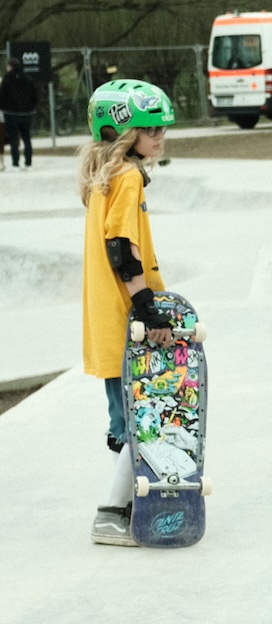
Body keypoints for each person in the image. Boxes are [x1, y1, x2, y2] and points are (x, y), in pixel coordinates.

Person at [78, 79, 179, 545]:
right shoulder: (128, 176)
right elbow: (122, 248)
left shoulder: (106, 174)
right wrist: (148, 309)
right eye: (149, 128)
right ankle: (110, 514)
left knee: (123, 418)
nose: (159, 136)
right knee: (138, 418)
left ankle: (130, 504)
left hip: (106, 318)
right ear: (122, 131)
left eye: (162, 128)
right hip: (124, 319)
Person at [1, 58, 39, 167]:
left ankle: (15, 163)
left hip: (11, 113)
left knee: (14, 139)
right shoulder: (28, 78)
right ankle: (28, 163)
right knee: (27, 138)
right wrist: (32, 107)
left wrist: (4, 108)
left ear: (10, 66)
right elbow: (34, 95)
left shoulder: (7, 79)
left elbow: (3, 95)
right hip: (27, 113)